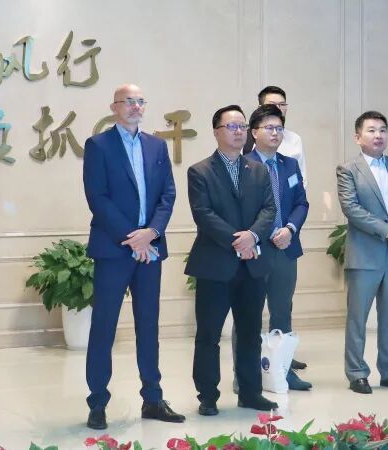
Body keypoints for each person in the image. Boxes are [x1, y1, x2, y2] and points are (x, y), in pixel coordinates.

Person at [82, 84, 183, 430]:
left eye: (140, 101)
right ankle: (97, 402)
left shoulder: (156, 146)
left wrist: (151, 232)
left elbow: (168, 194)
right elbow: (97, 197)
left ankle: (153, 399)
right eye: (129, 101)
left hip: (150, 247)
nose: (136, 106)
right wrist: (132, 237)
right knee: (104, 326)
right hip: (114, 248)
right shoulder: (98, 145)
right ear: (115, 107)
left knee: (149, 325)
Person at [186, 105, 278, 416]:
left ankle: (251, 393)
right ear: (216, 131)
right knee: (209, 335)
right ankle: (208, 396)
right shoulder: (200, 171)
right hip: (215, 265)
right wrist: (238, 241)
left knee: (250, 333)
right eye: (232, 126)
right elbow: (204, 214)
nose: (239, 132)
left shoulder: (258, 169)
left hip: (252, 266)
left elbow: (269, 210)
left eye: (242, 126)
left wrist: (252, 236)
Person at [336, 110, 388, 394]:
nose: (378, 135)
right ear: (357, 137)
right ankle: (357, 373)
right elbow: (351, 208)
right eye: (371, 130)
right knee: (357, 318)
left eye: (383, 130)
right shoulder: (348, 169)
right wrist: (387, 229)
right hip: (365, 255)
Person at [243, 104, 312, 390]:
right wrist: (262, 234)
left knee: (282, 313)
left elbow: (301, 203)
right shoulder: (242, 165)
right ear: (254, 132)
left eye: (279, 128)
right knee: (249, 315)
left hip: (285, 248)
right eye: (269, 128)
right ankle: (244, 376)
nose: (275, 133)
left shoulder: (289, 165)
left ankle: (284, 371)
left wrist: (290, 229)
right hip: (255, 251)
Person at [242, 86, 307, 184]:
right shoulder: (245, 137)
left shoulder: (294, 139)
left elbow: (300, 178)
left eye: (282, 105)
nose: (278, 108)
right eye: (272, 104)